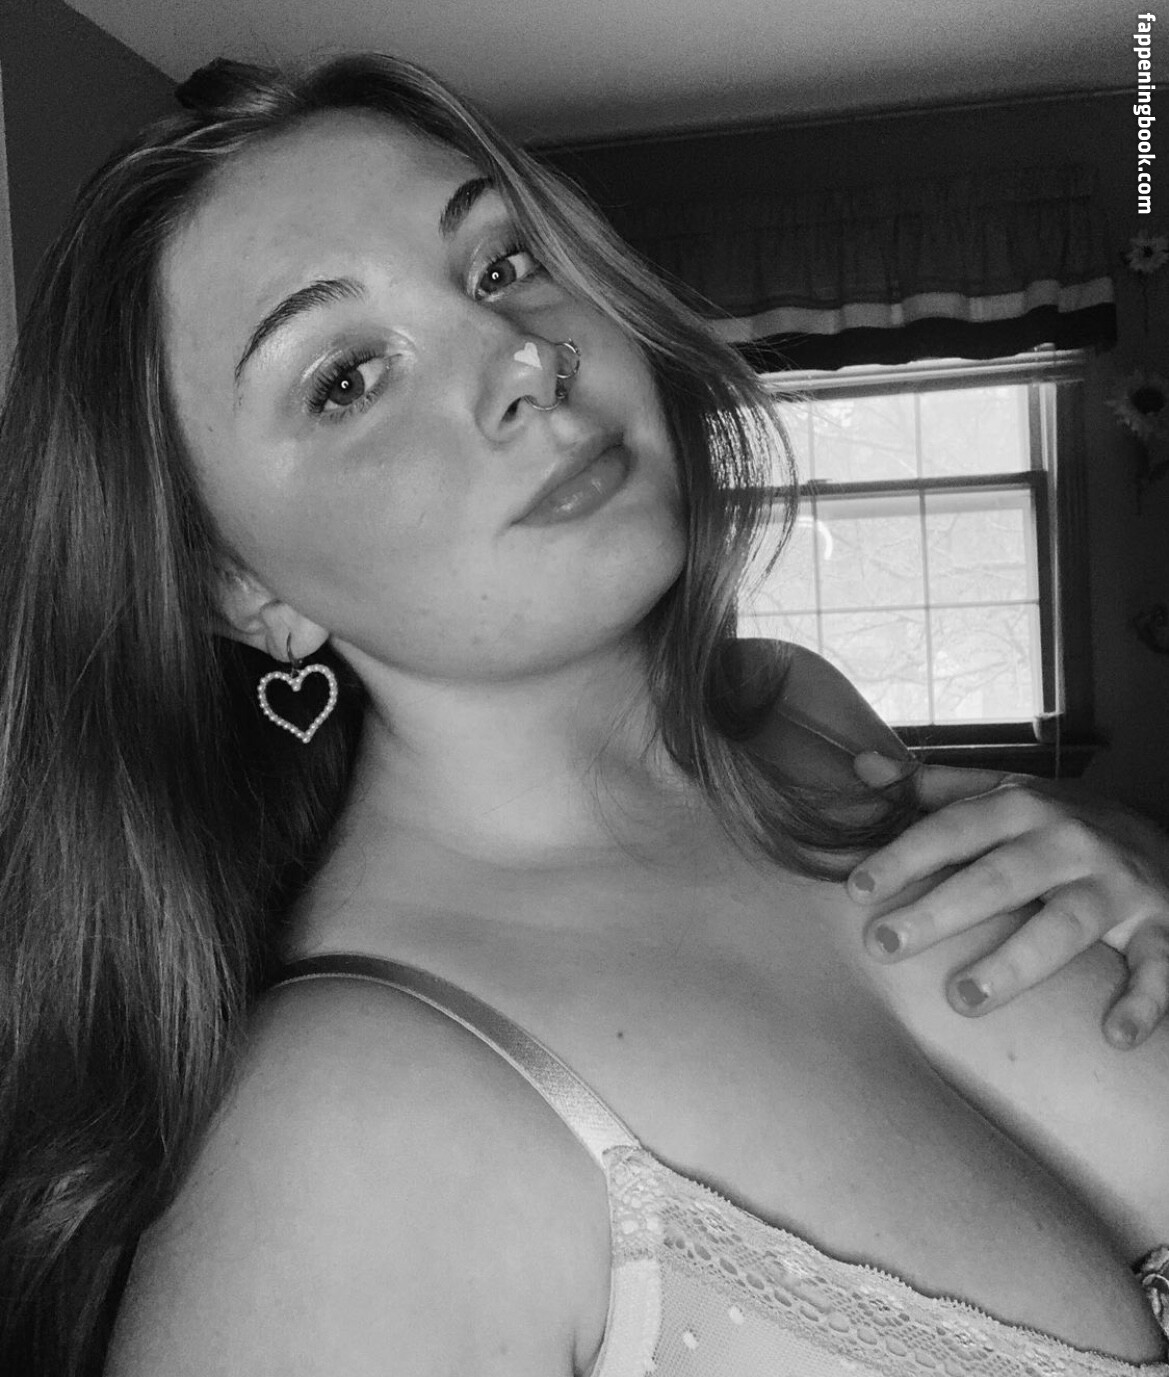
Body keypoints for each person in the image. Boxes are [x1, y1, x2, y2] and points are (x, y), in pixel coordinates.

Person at [0, 52, 1166, 1377]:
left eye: (501, 265)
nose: (520, 356)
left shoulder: (800, 713)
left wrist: (1143, 882)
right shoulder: (344, 1139)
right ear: (238, 585)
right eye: (345, 379)